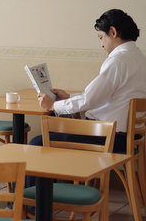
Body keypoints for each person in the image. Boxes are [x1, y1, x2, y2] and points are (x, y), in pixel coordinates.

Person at [31, 9, 146, 154]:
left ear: (113, 32)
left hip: (109, 138)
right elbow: (103, 95)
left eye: (101, 37)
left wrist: (53, 105)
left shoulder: (118, 61)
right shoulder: (139, 57)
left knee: (36, 144)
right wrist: (69, 97)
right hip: (129, 137)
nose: (102, 44)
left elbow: (89, 100)